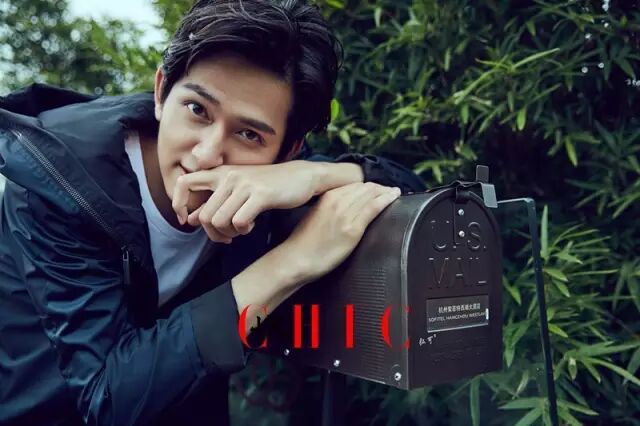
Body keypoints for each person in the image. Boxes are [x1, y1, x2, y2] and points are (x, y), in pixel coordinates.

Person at [0, 1, 424, 425]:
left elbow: (413, 195)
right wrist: (288, 265)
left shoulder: (271, 177)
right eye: (197, 110)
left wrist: (313, 175)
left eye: (248, 134)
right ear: (162, 91)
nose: (206, 155)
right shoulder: (59, 182)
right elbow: (106, 399)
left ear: (287, 150)